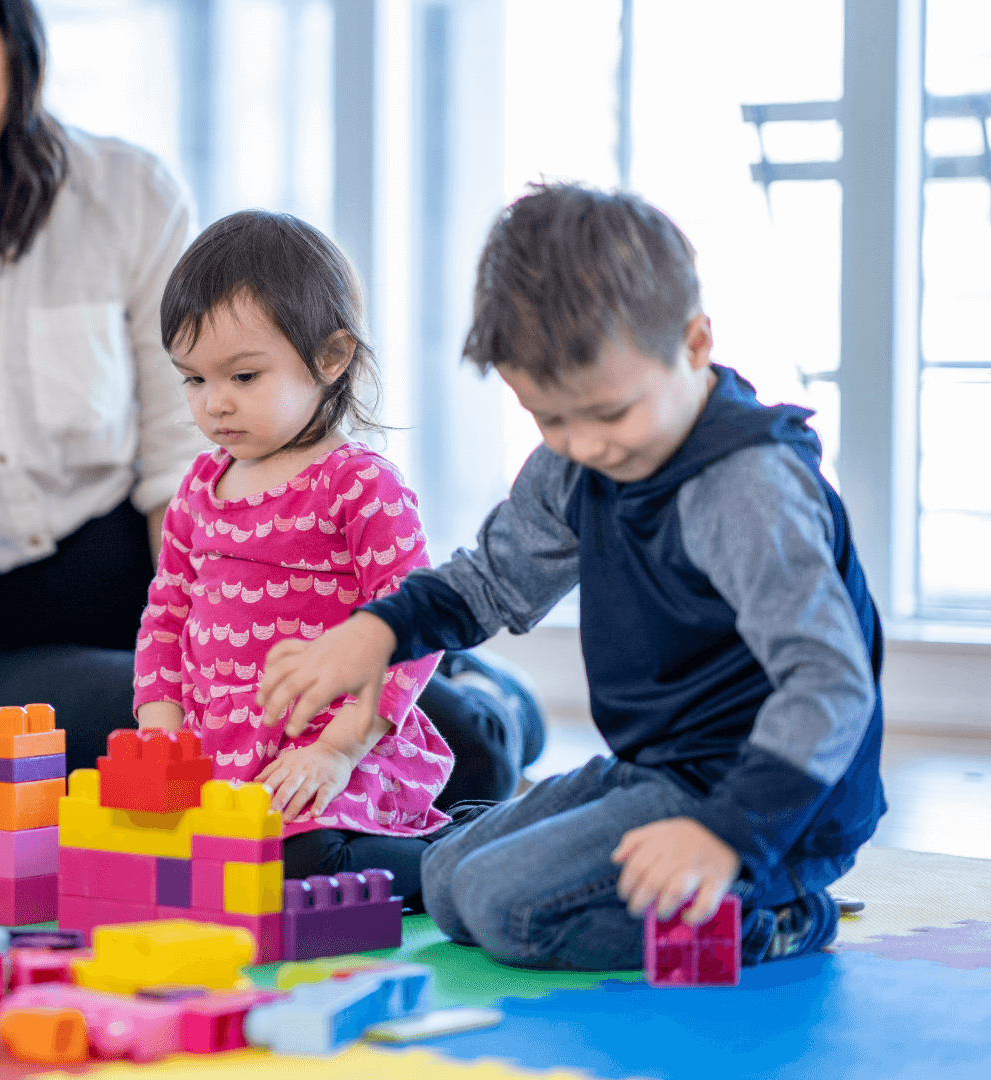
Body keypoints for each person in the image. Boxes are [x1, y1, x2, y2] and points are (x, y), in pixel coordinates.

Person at [0, 0, 545, 799]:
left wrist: (223, 650)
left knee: (457, 746)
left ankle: (475, 684)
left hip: (177, 587)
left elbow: (185, 459)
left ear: (16, 49)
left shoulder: (125, 191)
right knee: (196, 766)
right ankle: (471, 682)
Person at [258, 182, 882, 970]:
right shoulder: (576, 461)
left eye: (609, 415)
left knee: (506, 913)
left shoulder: (744, 488)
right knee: (448, 883)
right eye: (549, 418)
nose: (582, 444)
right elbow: (492, 580)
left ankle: (780, 916)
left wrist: (727, 835)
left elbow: (829, 686)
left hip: (768, 803)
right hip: (656, 770)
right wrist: (376, 632)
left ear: (693, 346)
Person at [134, 211, 449, 901]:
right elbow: (166, 617)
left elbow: (415, 629)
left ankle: (465, 855)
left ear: (331, 358)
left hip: (339, 754)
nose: (214, 404)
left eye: (244, 376)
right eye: (192, 380)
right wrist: (160, 731)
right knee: (168, 867)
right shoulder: (198, 489)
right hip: (228, 765)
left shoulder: (359, 485)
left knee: (303, 867)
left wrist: (337, 750)